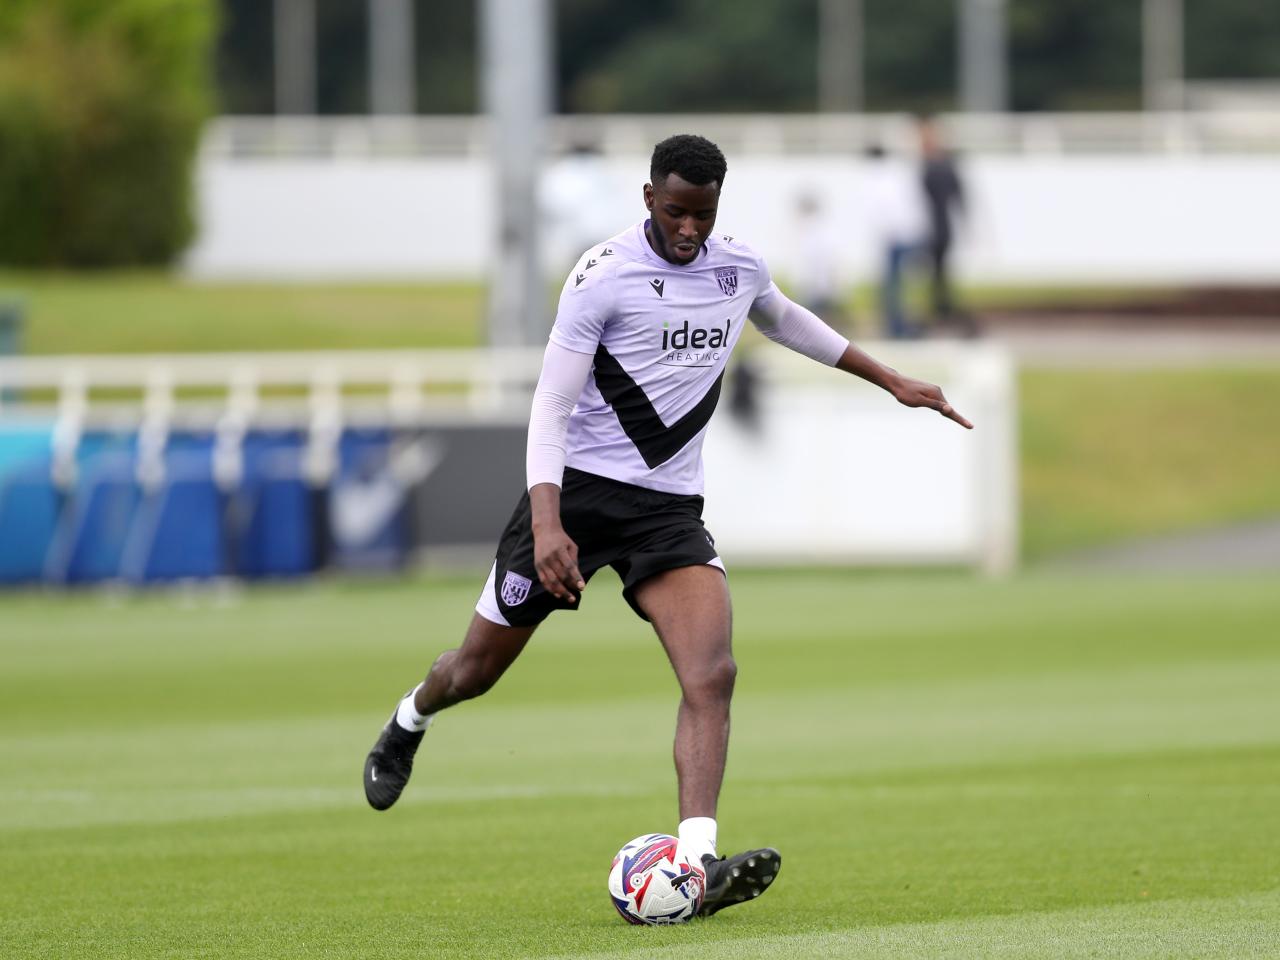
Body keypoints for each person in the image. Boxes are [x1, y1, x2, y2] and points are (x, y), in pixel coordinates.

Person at [363, 134, 972, 917]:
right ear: (649, 198)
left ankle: (697, 863)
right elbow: (550, 405)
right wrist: (548, 526)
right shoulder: (602, 277)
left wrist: (889, 378)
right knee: (474, 671)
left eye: (704, 215)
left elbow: (786, 320)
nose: (690, 230)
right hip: (575, 501)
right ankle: (410, 717)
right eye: (678, 212)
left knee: (712, 673)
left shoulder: (737, 265)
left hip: (665, 512)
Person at [862, 143, 929, 339]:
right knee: (906, 284)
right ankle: (904, 326)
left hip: (894, 238)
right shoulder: (896, 174)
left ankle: (897, 327)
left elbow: (882, 212)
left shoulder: (875, 178)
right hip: (908, 235)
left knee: (892, 286)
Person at [917, 118, 977, 336]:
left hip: (936, 228)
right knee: (938, 275)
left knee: (938, 275)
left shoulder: (935, 166)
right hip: (940, 227)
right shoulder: (942, 165)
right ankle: (943, 313)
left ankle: (944, 315)